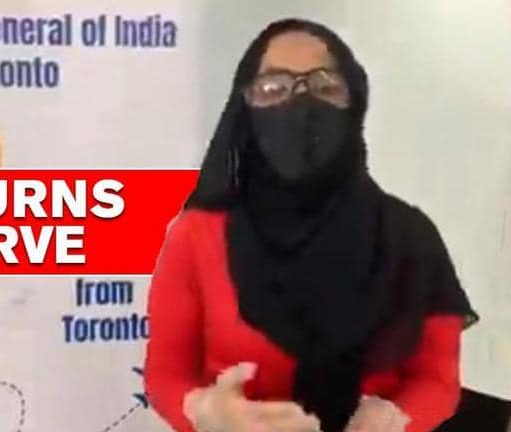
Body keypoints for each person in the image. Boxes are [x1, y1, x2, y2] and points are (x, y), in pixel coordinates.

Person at [143, 18, 478, 432]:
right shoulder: (197, 234)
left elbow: (437, 381)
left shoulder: (409, 237)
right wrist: (203, 411)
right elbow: (165, 374)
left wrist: (394, 417)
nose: (301, 105)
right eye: (274, 87)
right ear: (245, 107)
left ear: (354, 102)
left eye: (324, 85)